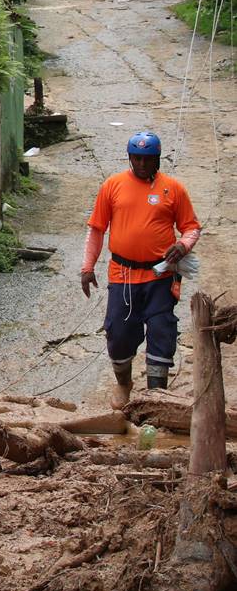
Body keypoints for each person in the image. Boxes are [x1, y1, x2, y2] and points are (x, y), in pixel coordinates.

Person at [80, 131, 201, 407]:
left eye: (148, 159)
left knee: (161, 330)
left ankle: (155, 397)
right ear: (130, 158)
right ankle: (124, 384)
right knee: (119, 334)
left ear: (157, 159)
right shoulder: (113, 186)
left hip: (161, 276)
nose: (142, 164)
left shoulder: (174, 189)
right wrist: (87, 267)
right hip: (122, 275)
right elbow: (97, 229)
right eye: (137, 159)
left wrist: (183, 245)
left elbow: (191, 227)